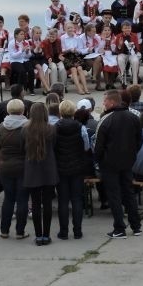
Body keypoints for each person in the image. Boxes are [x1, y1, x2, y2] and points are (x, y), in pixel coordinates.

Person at [94, 89, 143, 238]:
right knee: (128, 193)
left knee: (114, 195)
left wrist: (100, 160)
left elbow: (98, 146)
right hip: (127, 162)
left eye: (105, 101)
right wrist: (132, 154)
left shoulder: (106, 120)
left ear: (113, 102)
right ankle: (136, 226)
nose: (103, 103)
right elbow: (139, 140)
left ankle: (119, 228)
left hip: (109, 164)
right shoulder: (133, 118)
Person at [22, 103, 58, 245]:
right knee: (47, 203)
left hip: (32, 169)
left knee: (36, 204)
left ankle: (38, 235)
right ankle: (46, 235)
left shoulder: (25, 130)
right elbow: (54, 145)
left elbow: (21, 148)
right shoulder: (51, 129)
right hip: (48, 169)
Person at [55, 100, 90, 240]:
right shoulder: (80, 127)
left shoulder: (55, 127)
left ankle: (63, 231)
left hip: (60, 167)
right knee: (77, 199)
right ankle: (78, 231)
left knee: (63, 200)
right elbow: (86, 147)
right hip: (77, 167)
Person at [0, 99, 30, 239]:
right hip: (23, 166)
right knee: (22, 199)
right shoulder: (27, 127)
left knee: (8, 198)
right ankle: (20, 231)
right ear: (22, 110)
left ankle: (4, 230)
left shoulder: (0, 128)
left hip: (5, 166)